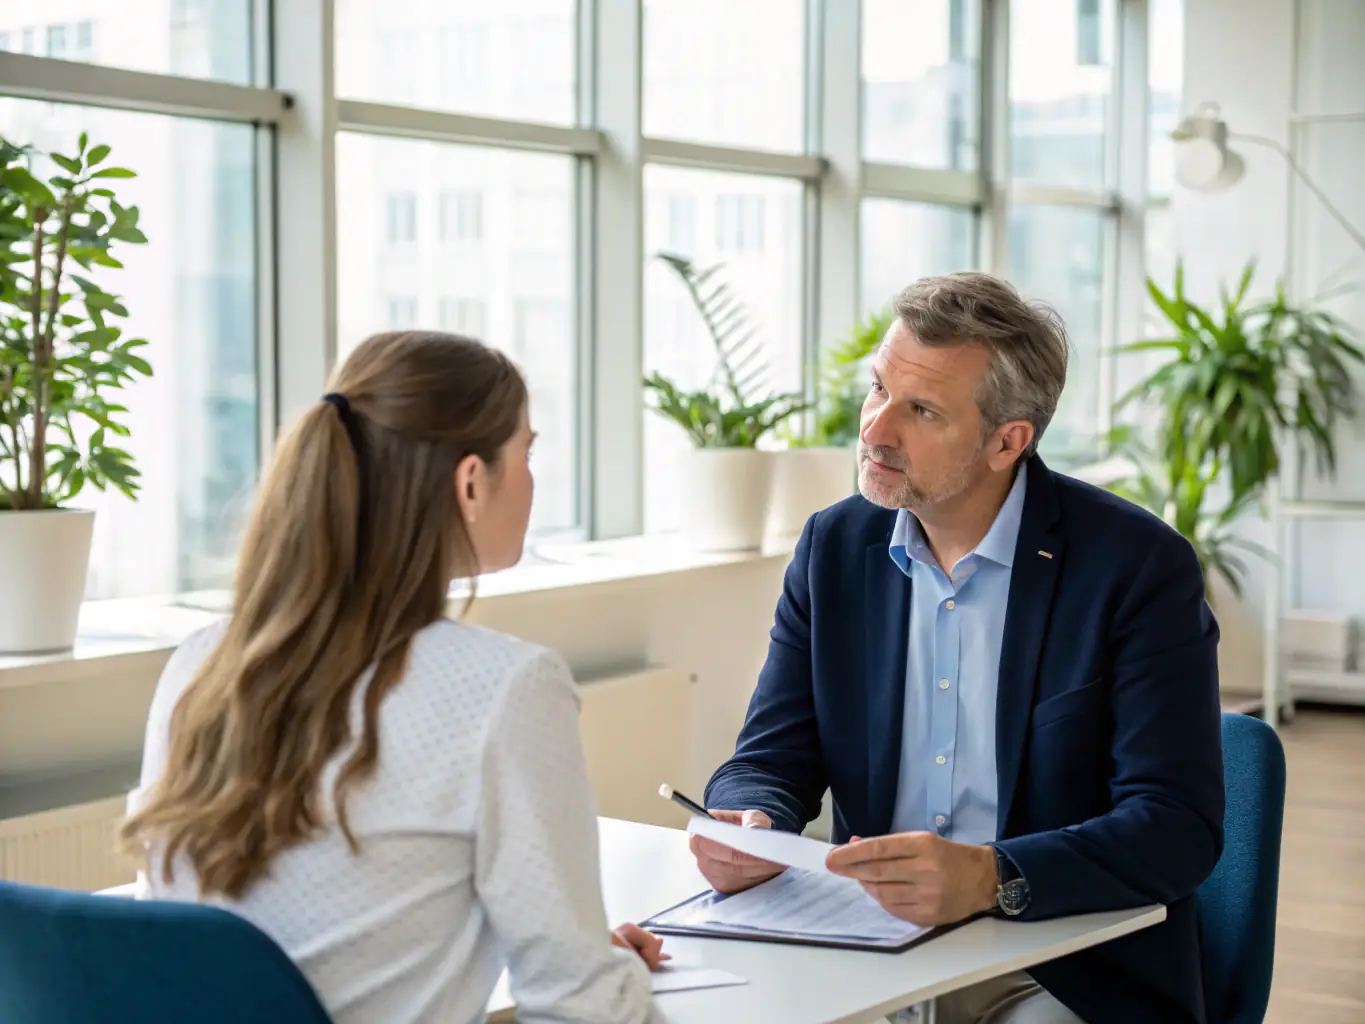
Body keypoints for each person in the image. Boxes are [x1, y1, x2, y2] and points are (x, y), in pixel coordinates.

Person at [695, 273, 1225, 1024]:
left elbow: (1176, 828)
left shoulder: (1135, 567)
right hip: (865, 949)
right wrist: (749, 820)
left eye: (920, 411)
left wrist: (990, 876)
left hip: (1057, 965)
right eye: (877, 390)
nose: (875, 430)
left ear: (1008, 440)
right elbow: (769, 757)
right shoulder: (834, 547)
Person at [122, 331, 664, 1024]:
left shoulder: (199, 664)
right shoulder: (505, 686)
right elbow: (582, 1007)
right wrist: (595, 970)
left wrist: (561, 950)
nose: (532, 476)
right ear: (470, 482)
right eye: (525, 453)